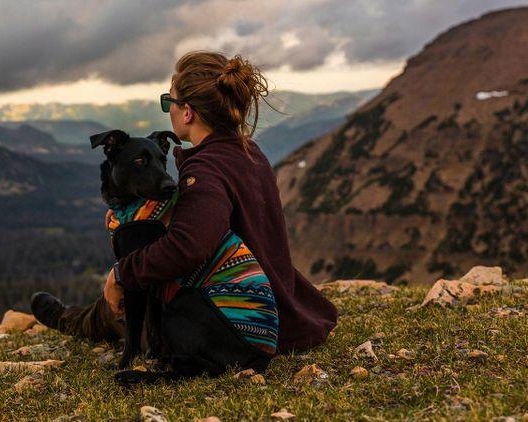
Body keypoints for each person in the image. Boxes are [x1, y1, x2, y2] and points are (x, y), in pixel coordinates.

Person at [31, 50, 338, 373]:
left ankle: (71, 320)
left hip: (231, 315)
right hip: (277, 301)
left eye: (169, 102)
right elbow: (216, 222)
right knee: (132, 289)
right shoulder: (248, 151)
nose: (169, 111)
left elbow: (189, 246)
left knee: (121, 306)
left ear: (187, 112)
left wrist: (122, 272)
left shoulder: (206, 169)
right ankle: (79, 317)